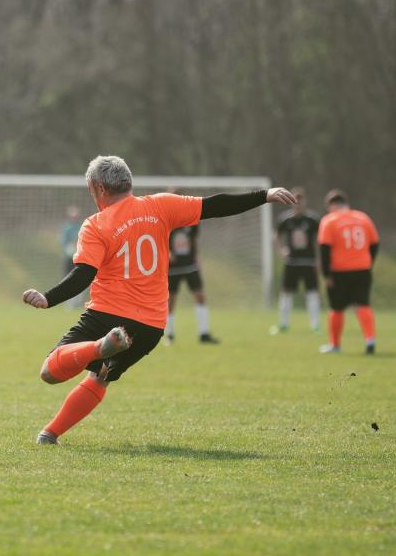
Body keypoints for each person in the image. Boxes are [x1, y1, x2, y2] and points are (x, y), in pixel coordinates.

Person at [22, 156, 296, 445]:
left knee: (50, 371)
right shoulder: (160, 205)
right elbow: (215, 206)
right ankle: (50, 434)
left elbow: (83, 275)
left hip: (107, 314)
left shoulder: (96, 224)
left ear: (100, 189)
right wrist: (264, 195)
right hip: (150, 326)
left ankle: (98, 346)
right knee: (100, 376)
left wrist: (48, 298)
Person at [317, 189, 379, 354]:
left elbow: (324, 249)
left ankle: (335, 345)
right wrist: (368, 262)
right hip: (362, 269)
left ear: (332, 205)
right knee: (363, 304)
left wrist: (326, 275)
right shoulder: (363, 218)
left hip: (339, 271)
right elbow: (374, 244)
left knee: (336, 308)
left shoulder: (329, 221)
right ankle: (370, 340)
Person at [164, 189, 219, 344]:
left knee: (200, 296)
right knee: (171, 301)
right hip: (173, 267)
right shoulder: (166, 219)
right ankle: (169, 334)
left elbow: (194, 241)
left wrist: (197, 256)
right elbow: (159, 238)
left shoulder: (192, 218)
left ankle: (204, 333)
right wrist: (167, 252)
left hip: (190, 265)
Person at [273, 187, 321, 333]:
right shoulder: (285, 219)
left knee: (312, 293)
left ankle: (315, 325)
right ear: (291, 202)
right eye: (295, 201)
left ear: (305, 202)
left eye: (301, 201)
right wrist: (281, 251)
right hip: (292, 262)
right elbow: (276, 237)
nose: (298, 204)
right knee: (286, 293)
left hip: (309, 262)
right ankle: (283, 324)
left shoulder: (312, 220)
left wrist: (319, 259)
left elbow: (319, 241)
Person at [60, 206, 84, 308]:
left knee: (80, 279)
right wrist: (69, 248)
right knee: (67, 279)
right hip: (69, 258)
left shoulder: (81, 227)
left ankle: (78, 301)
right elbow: (64, 242)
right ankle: (68, 302)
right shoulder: (67, 228)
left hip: (79, 258)